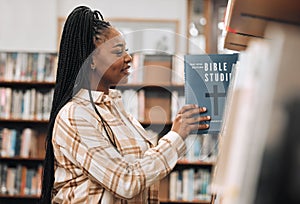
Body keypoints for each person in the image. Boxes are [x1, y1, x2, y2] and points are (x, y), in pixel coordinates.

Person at [40, 5, 211, 204]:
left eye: (126, 50)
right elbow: (126, 181)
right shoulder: (74, 115)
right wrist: (176, 136)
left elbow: (144, 167)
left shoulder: (117, 110)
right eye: (118, 51)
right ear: (92, 61)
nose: (129, 58)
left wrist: (181, 127)